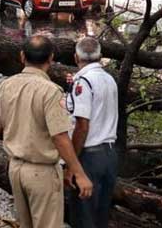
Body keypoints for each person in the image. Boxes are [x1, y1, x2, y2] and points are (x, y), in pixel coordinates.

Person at [0, 35, 93, 228]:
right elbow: (60, 137)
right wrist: (78, 172)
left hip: (15, 169)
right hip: (42, 172)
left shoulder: (5, 86)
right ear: (51, 58)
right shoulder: (51, 92)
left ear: (22, 56)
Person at [65, 37, 119, 228]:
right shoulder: (109, 79)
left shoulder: (83, 81)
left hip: (88, 157)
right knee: (101, 217)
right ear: (100, 57)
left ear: (75, 57)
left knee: (83, 217)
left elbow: (82, 125)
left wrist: (72, 164)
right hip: (109, 154)